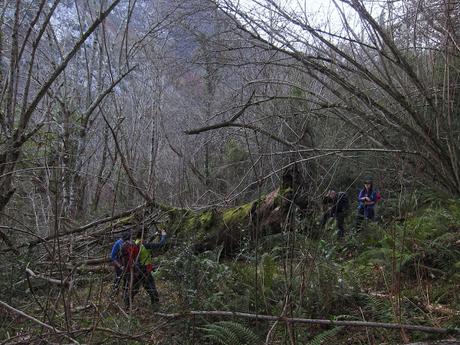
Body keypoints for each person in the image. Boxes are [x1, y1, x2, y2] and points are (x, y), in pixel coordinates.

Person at [122, 227, 167, 310]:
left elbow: (148, 243)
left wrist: (155, 235)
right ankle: (156, 307)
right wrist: (164, 236)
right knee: (152, 289)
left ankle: (127, 305)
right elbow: (161, 244)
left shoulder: (136, 243)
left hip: (137, 270)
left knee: (134, 290)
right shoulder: (144, 245)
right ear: (144, 235)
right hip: (144, 270)